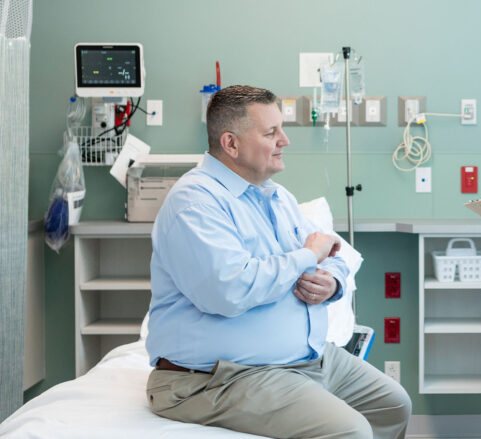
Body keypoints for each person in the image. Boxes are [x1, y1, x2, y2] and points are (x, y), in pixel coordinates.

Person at [144, 85, 411, 438]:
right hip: (219, 377)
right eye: (271, 132)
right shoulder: (195, 202)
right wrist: (306, 257)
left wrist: (331, 283)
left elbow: (332, 251)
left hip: (305, 361)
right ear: (231, 144)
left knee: (393, 404)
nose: (284, 140)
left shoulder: (276, 196)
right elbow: (229, 290)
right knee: (351, 432)